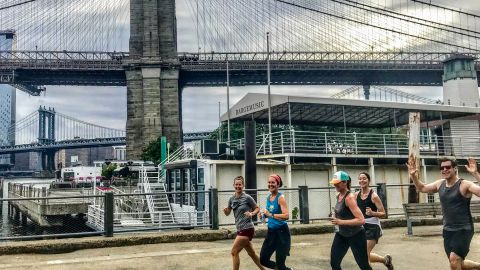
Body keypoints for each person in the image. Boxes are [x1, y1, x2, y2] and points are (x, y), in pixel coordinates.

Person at [407, 157, 480, 270]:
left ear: (455, 168)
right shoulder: (440, 184)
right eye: (442, 167)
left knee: (454, 260)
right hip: (448, 230)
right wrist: (413, 176)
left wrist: (475, 173)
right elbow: (421, 188)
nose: (444, 169)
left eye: (448, 167)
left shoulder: (464, 184)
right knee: (456, 263)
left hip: (463, 229)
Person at [330, 171, 372, 270]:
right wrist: (335, 215)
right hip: (342, 234)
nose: (335, 185)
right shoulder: (338, 195)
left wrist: (340, 222)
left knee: (363, 265)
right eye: (334, 183)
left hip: (356, 235)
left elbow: (361, 220)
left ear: (345, 182)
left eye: (337, 183)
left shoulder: (349, 198)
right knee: (334, 263)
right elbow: (344, 212)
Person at [223, 176, 265, 270]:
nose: (238, 186)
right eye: (236, 184)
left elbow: (257, 208)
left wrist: (251, 213)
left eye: (240, 184)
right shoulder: (231, 199)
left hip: (247, 228)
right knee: (252, 254)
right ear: (233, 185)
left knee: (234, 252)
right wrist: (225, 211)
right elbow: (228, 213)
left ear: (243, 186)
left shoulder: (247, 197)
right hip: (240, 229)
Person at [355, 172, 394, 270]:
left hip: (373, 227)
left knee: (364, 254)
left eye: (364, 178)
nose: (362, 180)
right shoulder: (356, 195)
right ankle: (385, 260)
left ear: (369, 180)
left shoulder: (374, 196)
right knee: (363, 254)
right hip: (361, 227)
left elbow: (383, 213)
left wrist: (373, 213)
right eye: (360, 179)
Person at [260, 174, 293, 270]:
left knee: (280, 264)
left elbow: (286, 216)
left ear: (278, 184)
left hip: (282, 233)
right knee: (263, 259)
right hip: (271, 233)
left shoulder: (280, 198)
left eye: (273, 182)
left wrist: (270, 215)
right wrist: (263, 215)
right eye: (269, 182)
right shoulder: (268, 197)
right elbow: (268, 213)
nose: (270, 184)